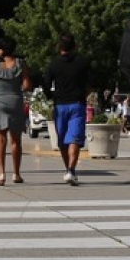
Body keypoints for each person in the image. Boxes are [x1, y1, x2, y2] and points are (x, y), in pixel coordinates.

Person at [0, 36, 30, 186]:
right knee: (15, 141)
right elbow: (27, 85)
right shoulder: (20, 63)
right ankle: (16, 174)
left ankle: (2, 174)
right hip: (15, 102)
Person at [46, 33, 92, 185]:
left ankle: (69, 169)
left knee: (62, 140)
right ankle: (71, 170)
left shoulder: (53, 64)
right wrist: (84, 94)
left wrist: (51, 96)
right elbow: (91, 82)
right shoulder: (83, 62)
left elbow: (46, 84)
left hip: (60, 105)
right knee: (74, 137)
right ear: (74, 46)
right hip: (77, 103)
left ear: (59, 47)